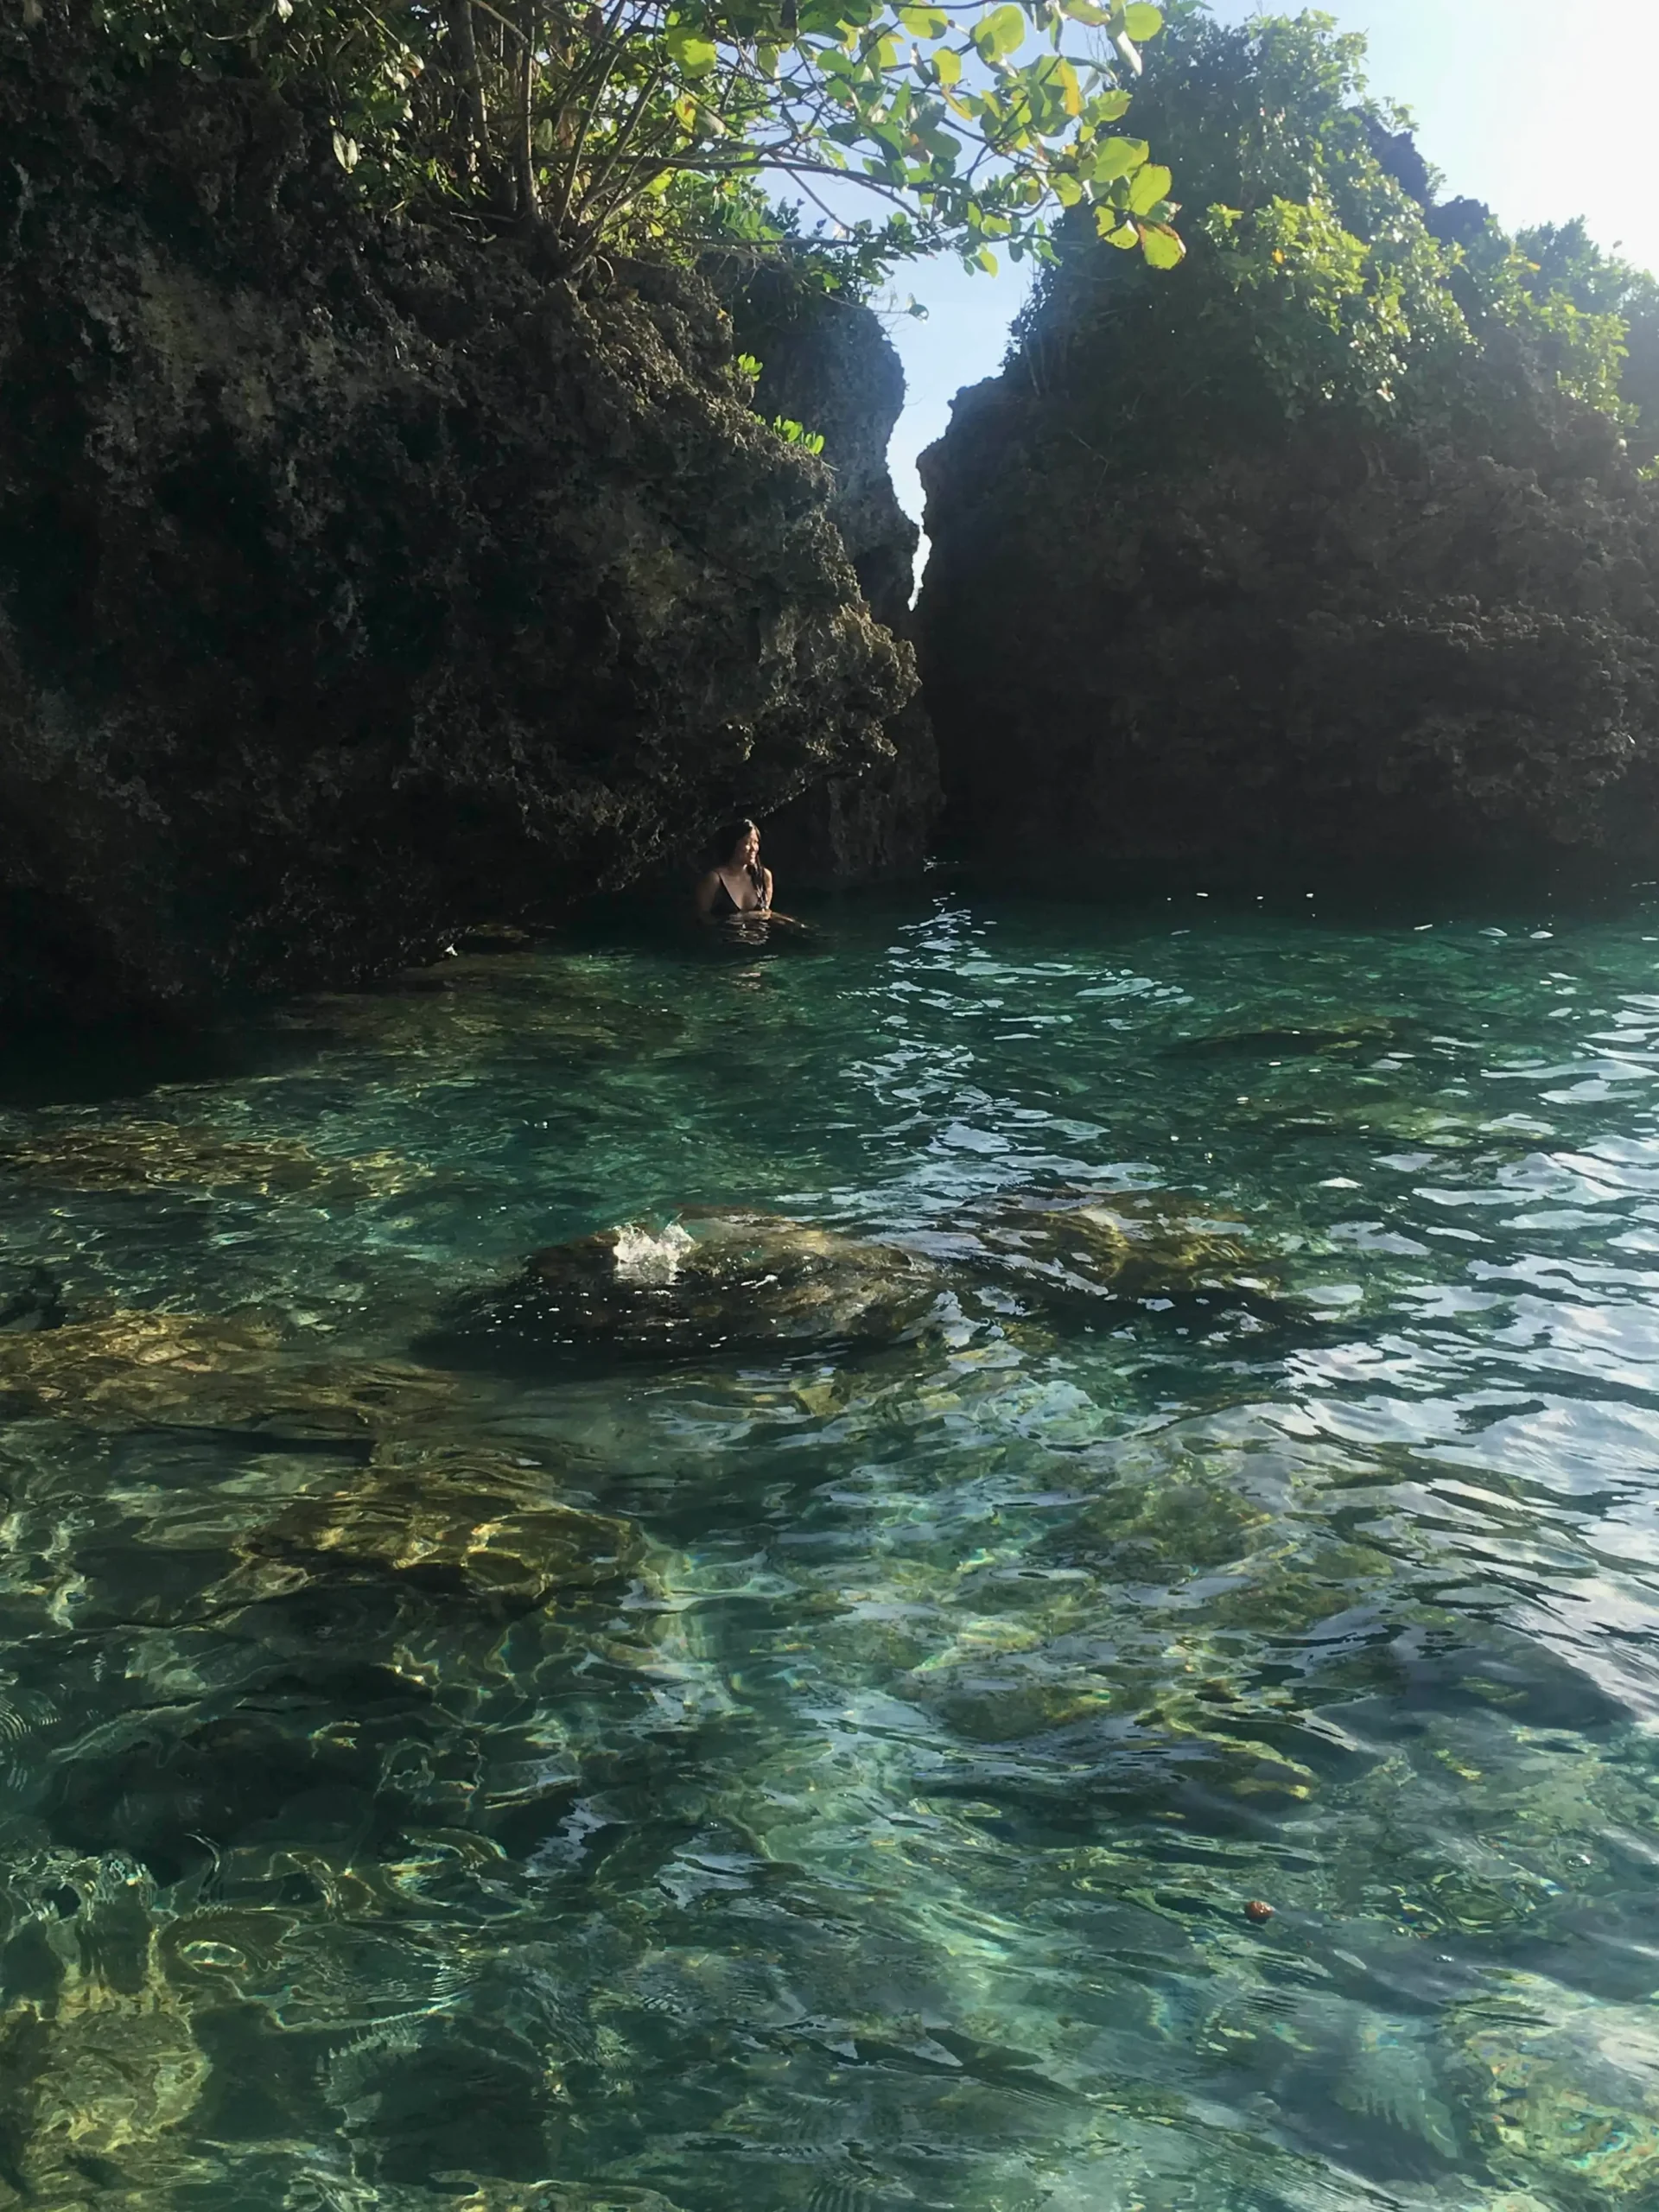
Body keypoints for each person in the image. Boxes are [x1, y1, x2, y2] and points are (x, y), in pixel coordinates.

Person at [696, 818, 799, 930]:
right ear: (733, 844)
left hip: (757, 941)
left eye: (756, 842)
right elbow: (703, 918)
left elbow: (765, 914)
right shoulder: (714, 879)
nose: (754, 848)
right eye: (747, 843)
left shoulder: (764, 877)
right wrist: (742, 918)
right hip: (726, 941)